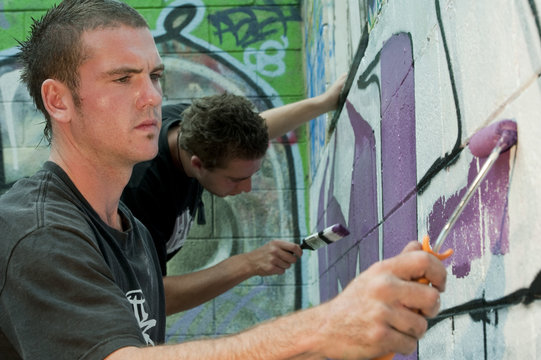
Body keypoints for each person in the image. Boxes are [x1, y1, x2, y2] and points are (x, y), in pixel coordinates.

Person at [0, 1, 447, 359]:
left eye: (154, 76)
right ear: (58, 101)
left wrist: (342, 340)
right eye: (123, 79)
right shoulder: (39, 231)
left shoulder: (128, 231)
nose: (152, 95)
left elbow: (247, 131)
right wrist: (322, 325)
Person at [121, 81, 345, 312]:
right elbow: (150, 297)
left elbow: (252, 133)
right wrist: (248, 264)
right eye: (236, 179)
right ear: (198, 164)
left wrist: (324, 102)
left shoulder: (195, 125)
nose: (247, 188)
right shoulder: (138, 192)